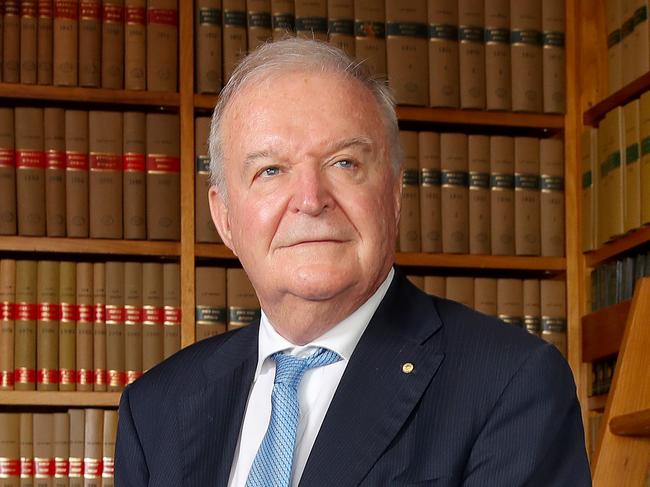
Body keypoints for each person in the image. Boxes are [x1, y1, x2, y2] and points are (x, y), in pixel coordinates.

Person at [115, 38, 591, 486]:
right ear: (224, 218)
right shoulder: (156, 407)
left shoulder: (510, 383)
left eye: (344, 163)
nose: (310, 199)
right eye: (271, 170)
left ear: (394, 195)